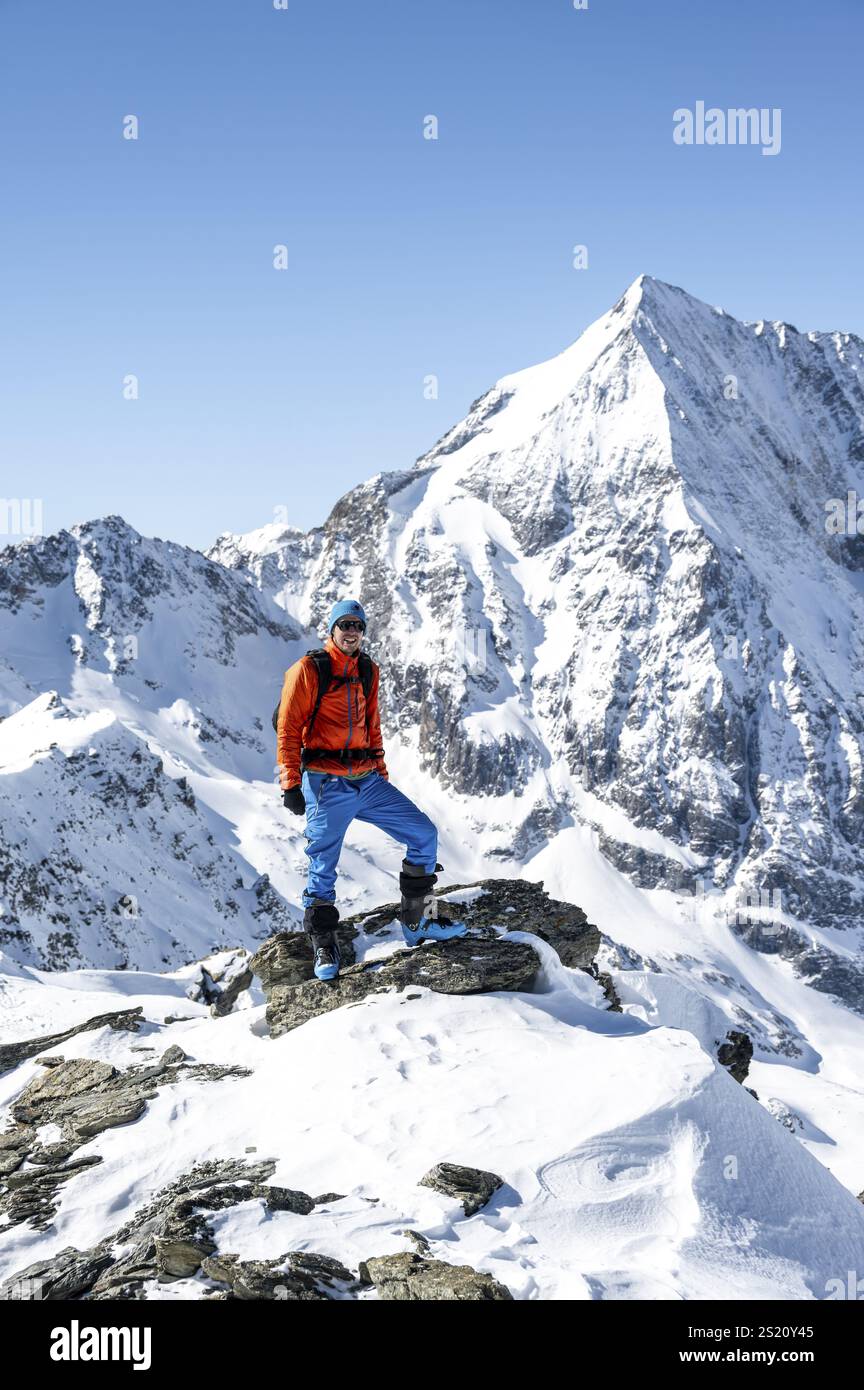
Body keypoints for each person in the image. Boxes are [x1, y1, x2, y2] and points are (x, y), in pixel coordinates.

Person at [276, 599, 466, 980]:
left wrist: (380, 769)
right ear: (331, 629)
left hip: (367, 779)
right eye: (345, 624)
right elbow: (288, 727)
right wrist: (291, 784)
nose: (352, 631)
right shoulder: (309, 670)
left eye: (358, 626)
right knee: (323, 862)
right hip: (326, 781)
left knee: (423, 833)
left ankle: (417, 921)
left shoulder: (367, 669)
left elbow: (372, 723)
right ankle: (324, 945)